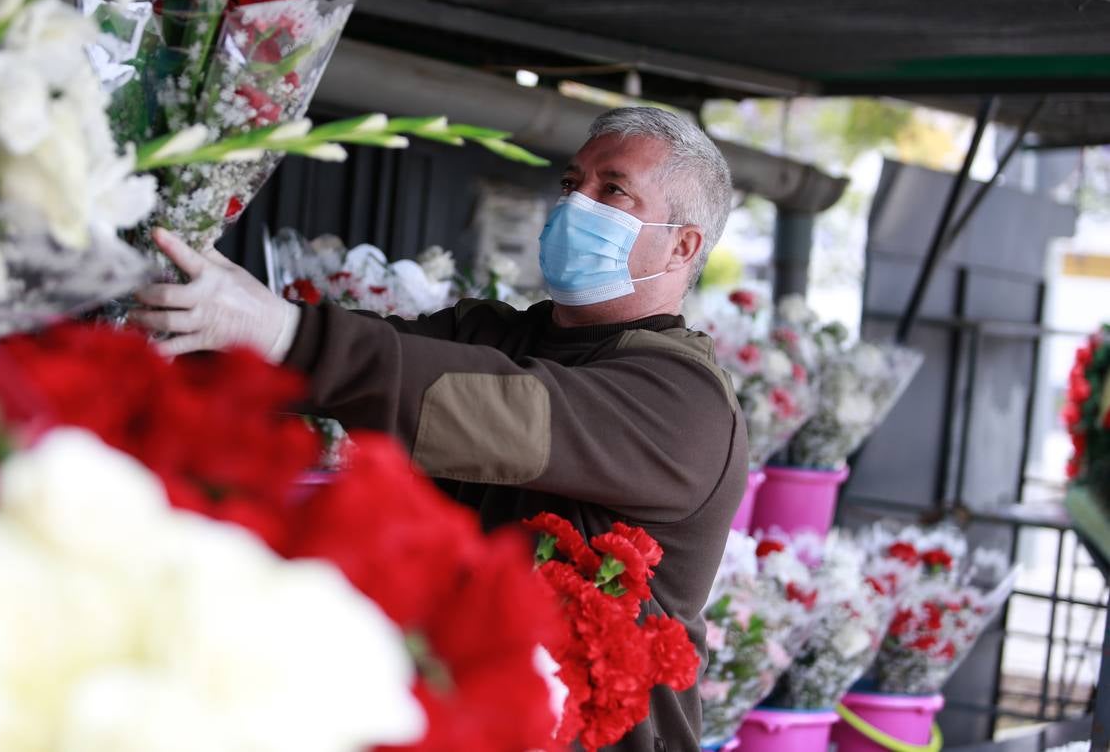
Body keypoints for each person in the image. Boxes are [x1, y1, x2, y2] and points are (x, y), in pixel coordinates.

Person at [132, 106, 749, 752]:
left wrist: (286, 333)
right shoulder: (494, 333)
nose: (575, 203)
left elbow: (503, 416)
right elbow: (349, 367)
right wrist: (190, 312)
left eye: (612, 190)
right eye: (572, 183)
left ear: (683, 246)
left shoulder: (686, 405)